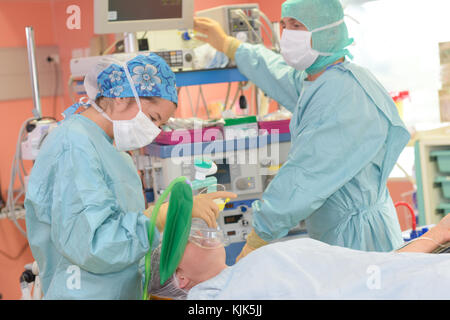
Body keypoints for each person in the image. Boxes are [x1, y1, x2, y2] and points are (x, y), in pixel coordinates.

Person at [194, 0, 411, 257]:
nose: (287, 35)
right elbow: (278, 73)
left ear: (328, 32)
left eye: (297, 26)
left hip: (358, 239)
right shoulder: (318, 80)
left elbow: (304, 175)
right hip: (335, 231)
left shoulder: (345, 93)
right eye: (284, 26)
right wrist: (231, 46)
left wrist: (259, 234)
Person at [24, 53, 235, 300]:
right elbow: (93, 247)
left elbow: (129, 250)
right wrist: (160, 217)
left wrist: (177, 235)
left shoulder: (117, 155)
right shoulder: (74, 145)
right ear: (123, 96)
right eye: (153, 118)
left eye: (160, 125)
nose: (154, 131)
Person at [149, 214, 450, 300]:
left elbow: (374, 271)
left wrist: (437, 234)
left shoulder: (241, 273)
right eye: (182, 243)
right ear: (180, 277)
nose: (196, 234)